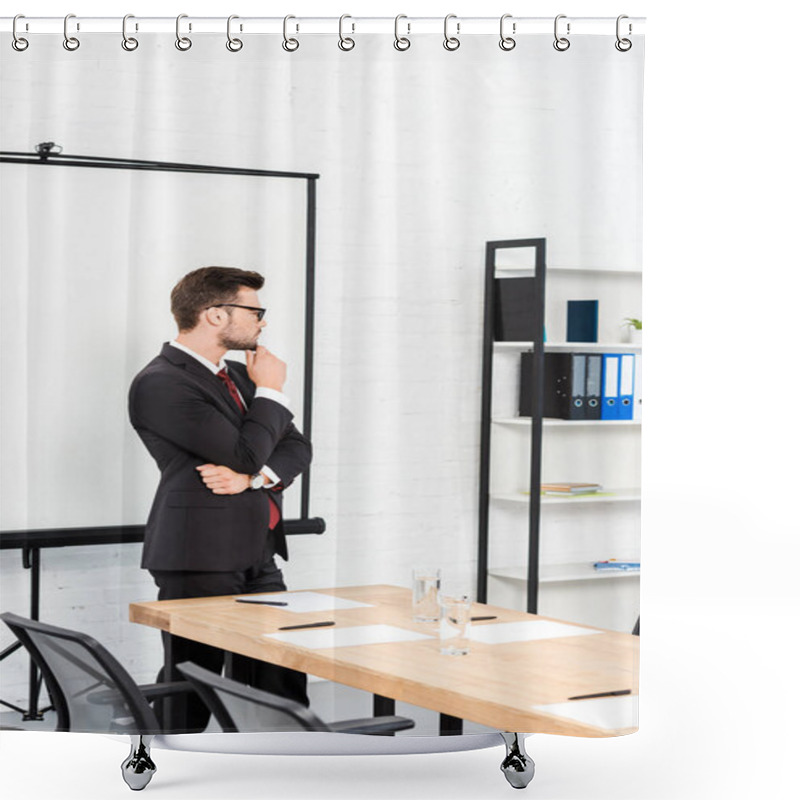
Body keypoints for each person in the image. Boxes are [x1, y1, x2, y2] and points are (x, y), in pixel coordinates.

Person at [128, 266, 312, 732]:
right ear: (214, 315)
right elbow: (245, 452)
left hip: (259, 549)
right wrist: (272, 388)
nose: (262, 322)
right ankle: (167, 769)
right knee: (194, 684)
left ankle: (288, 770)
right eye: (254, 311)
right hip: (198, 553)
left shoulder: (238, 374)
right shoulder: (161, 382)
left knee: (282, 675)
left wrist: (253, 480)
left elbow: (296, 446)